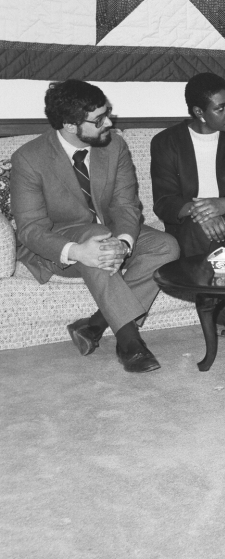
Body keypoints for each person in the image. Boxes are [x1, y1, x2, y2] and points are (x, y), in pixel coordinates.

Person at [10, 80, 180, 373]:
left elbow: (126, 205)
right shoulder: (29, 158)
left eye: (107, 113)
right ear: (70, 125)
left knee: (166, 246)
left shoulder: (114, 146)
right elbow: (31, 229)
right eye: (99, 119)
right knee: (95, 237)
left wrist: (125, 243)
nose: (110, 122)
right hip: (59, 244)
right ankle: (129, 342)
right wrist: (77, 250)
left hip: (108, 234)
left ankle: (94, 325)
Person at [150, 73, 225, 257]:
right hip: (190, 222)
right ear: (199, 113)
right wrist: (201, 213)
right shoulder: (166, 142)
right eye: (220, 108)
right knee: (196, 230)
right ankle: (202, 284)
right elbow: (164, 200)